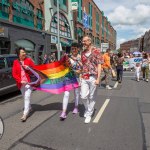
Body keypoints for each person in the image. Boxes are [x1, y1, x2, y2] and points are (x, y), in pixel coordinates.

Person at [80, 36, 103, 124]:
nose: (83, 43)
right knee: (83, 96)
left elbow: (100, 65)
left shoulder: (97, 51)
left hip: (93, 77)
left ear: (89, 41)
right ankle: (87, 108)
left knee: (92, 96)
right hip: (84, 76)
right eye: (82, 41)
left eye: (84, 41)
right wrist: (80, 77)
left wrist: (98, 78)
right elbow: (83, 65)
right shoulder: (82, 53)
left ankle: (89, 113)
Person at [60, 42, 82, 119]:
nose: (73, 50)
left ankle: (76, 107)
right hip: (68, 78)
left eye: (75, 49)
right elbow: (62, 66)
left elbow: (81, 70)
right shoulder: (67, 57)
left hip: (76, 78)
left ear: (78, 49)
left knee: (76, 93)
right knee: (66, 94)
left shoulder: (80, 57)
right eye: (72, 49)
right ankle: (63, 112)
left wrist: (75, 71)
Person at [12, 47, 35, 122]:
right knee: (24, 96)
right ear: (19, 54)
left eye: (25, 52)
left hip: (29, 82)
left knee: (27, 97)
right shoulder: (15, 62)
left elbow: (34, 71)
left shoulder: (29, 60)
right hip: (21, 83)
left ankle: (25, 114)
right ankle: (30, 107)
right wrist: (20, 81)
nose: (24, 53)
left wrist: (29, 68)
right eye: (22, 52)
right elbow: (14, 74)